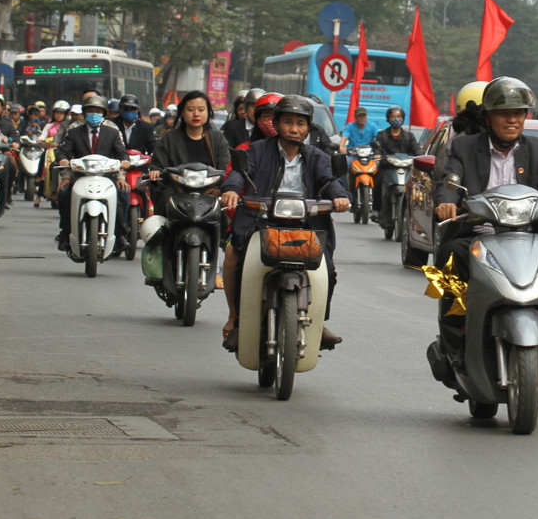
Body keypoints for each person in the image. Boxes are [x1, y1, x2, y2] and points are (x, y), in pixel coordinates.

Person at [433, 76, 538, 361]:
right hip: (479, 236)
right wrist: (447, 203)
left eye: (518, 113)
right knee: (449, 255)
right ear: (488, 117)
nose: (512, 120)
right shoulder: (463, 148)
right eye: (504, 113)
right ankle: (460, 328)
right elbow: (449, 180)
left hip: (530, 238)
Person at [219, 95, 350, 351]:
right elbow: (238, 173)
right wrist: (232, 190)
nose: (294, 129)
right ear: (276, 123)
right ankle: (237, 321)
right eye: (288, 122)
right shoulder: (256, 150)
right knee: (240, 263)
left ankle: (319, 322)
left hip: (306, 227)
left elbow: (329, 180)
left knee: (329, 271)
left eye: (300, 124)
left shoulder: (317, 156)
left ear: (308, 127)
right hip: (262, 224)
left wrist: (341, 197)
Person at [55, 96, 131, 252]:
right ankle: (65, 232)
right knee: (63, 194)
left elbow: (121, 152)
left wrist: (124, 162)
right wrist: (63, 162)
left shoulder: (112, 132)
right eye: (90, 111)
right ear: (84, 113)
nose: (94, 114)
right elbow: (64, 152)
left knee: (122, 194)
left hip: (106, 177)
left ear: (104, 113)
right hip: (79, 177)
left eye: (97, 111)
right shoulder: (74, 132)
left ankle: (120, 235)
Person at [148, 90, 230, 218]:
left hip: (208, 194)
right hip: (177, 193)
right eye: (190, 109)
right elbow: (158, 165)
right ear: (182, 113)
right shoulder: (170, 138)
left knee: (225, 219)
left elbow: (225, 168)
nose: (196, 114)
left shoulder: (218, 139)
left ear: (208, 112)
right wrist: (156, 171)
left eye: (201, 109)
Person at [372, 105, 419, 228]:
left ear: (403, 119)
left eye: (398, 116)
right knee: (377, 181)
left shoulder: (409, 136)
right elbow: (377, 149)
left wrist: (418, 158)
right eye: (393, 116)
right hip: (387, 168)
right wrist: (378, 156)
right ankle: (376, 209)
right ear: (388, 118)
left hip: (406, 169)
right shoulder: (382, 135)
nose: (396, 119)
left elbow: (417, 152)